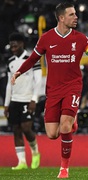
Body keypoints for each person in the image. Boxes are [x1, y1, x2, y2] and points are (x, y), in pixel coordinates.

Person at [10, 2, 88, 178]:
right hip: (53, 90)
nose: (76, 17)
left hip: (73, 87)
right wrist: (18, 71)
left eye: (75, 14)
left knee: (64, 126)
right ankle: (72, 122)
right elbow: (33, 59)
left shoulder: (81, 39)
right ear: (61, 18)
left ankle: (64, 168)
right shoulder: (46, 38)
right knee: (52, 134)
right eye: (71, 14)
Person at [4, 32, 41, 170]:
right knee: (16, 130)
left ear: (22, 44)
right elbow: (9, 83)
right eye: (11, 42)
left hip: (27, 99)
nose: (13, 45)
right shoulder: (10, 62)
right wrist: (7, 104)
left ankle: (35, 153)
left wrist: (34, 99)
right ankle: (22, 162)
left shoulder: (32, 59)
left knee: (26, 128)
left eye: (16, 42)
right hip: (14, 100)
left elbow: (38, 81)